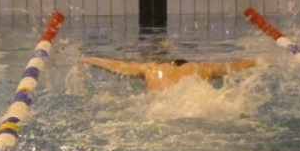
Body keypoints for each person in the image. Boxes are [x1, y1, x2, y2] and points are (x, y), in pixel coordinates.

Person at [83, 56, 257, 92]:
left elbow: (117, 66)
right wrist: (260, 61)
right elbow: (236, 66)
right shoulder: (204, 68)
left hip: (162, 107)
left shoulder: (151, 68)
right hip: (200, 104)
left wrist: (88, 59)